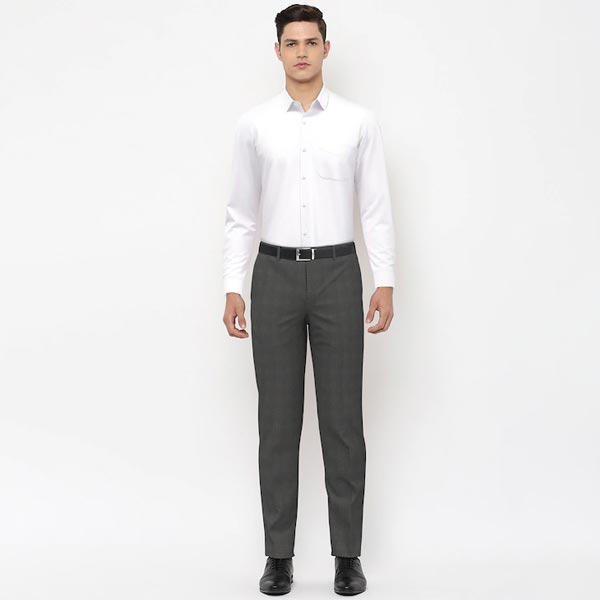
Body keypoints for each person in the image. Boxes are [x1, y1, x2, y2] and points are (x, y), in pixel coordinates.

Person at [222, 4, 395, 595]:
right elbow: (240, 214)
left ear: (326, 48)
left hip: (337, 273)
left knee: (343, 422)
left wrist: (385, 280)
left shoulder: (357, 123)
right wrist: (232, 285)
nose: (301, 51)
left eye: (310, 41)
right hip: (272, 275)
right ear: (278, 51)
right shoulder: (254, 126)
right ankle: (279, 557)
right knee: (277, 424)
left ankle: (348, 556)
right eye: (291, 42)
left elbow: (375, 208)